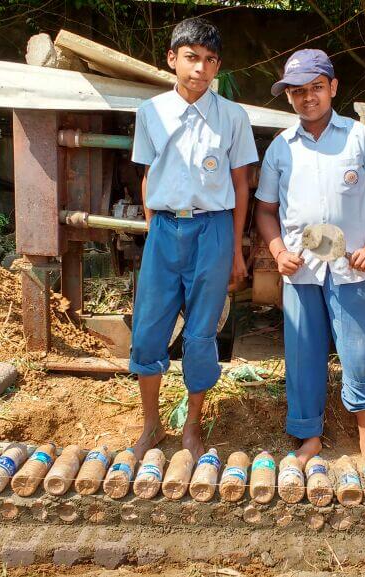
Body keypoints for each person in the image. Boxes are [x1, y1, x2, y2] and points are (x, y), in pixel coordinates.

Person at [254, 49, 365, 464]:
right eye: (298, 91)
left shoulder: (360, 139)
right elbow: (265, 210)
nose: (308, 98)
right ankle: (309, 439)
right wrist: (278, 251)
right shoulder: (281, 148)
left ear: (333, 88)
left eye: (316, 88)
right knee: (303, 355)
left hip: (349, 267)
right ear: (289, 98)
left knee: (357, 354)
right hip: (301, 271)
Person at [129, 17, 258, 460]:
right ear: (172, 59)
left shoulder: (233, 117)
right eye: (190, 58)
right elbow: (148, 175)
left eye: (209, 60)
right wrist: (153, 231)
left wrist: (237, 248)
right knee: (148, 331)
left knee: (202, 334)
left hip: (214, 230)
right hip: (165, 229)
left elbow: (242, 184)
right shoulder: (151, 113)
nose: (199, 68)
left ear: (216, 65)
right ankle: (151, 426)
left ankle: (192, 427)